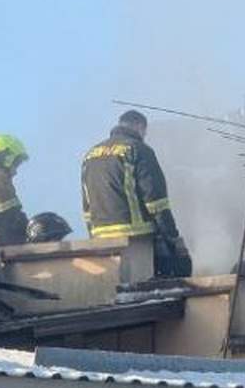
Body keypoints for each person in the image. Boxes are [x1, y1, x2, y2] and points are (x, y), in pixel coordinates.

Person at [81, 110, 192, 277]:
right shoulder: (139, 149)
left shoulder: (90, 155)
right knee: (159, 276)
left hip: (101, 236)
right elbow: (156, 202)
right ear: (139, 126)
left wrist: (93, 237)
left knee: (117, 286)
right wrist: (173, 238)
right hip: (136, 235)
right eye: (144, 132)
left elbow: (87, 205)